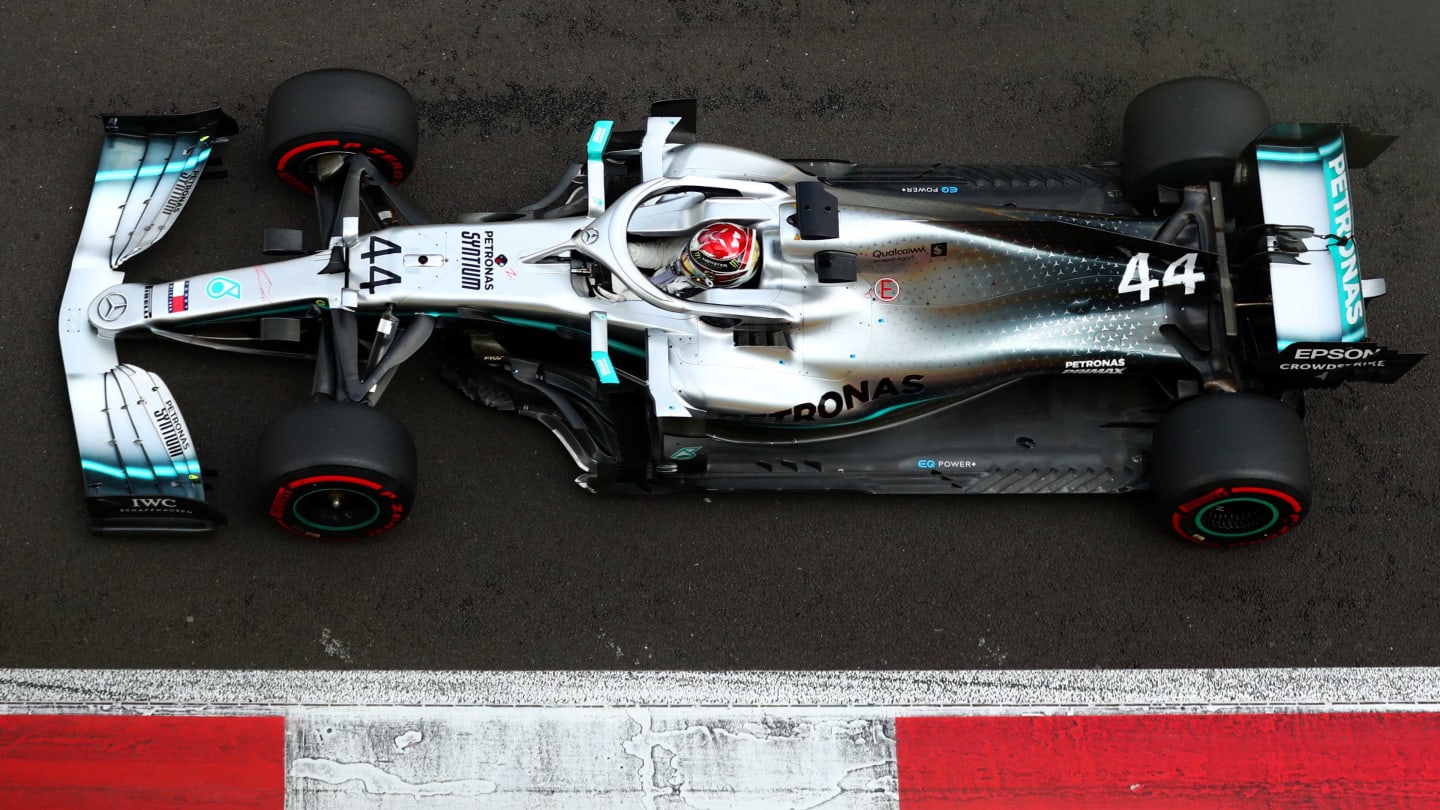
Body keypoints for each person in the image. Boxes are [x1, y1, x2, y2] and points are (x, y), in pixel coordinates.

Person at [647, 222, 761, 298]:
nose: (685, 259)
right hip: (664, 262)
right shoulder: (697, 247)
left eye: (693, 265)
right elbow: (658, 252)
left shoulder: (705, 298)